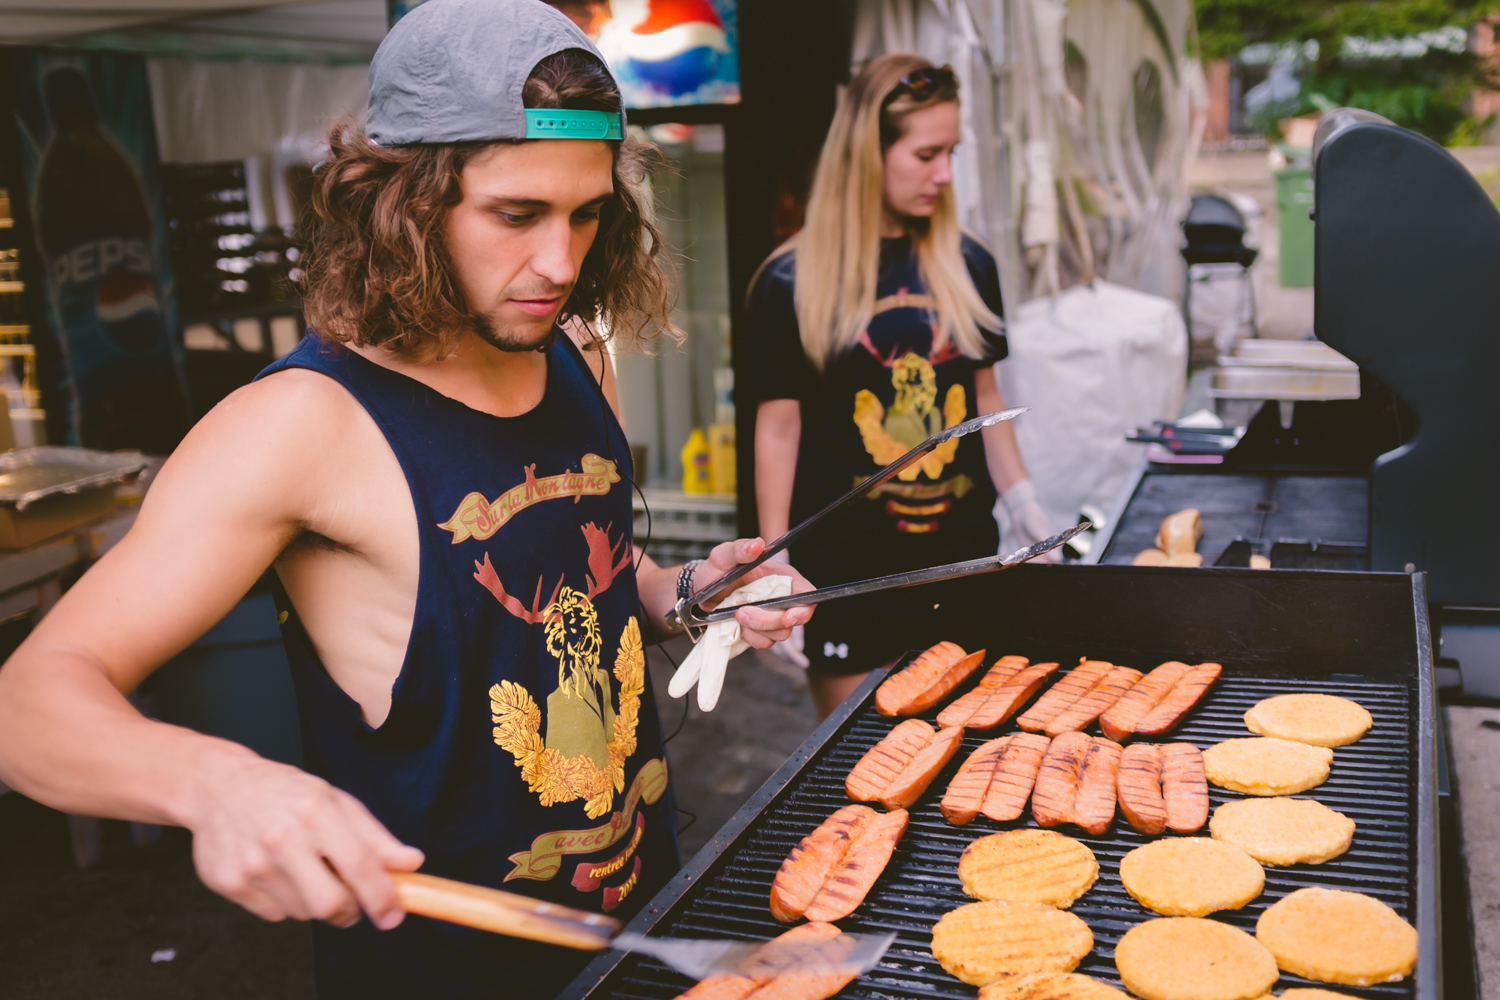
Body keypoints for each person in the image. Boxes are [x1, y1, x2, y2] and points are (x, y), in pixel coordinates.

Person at [0, 2, 813, 997]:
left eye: (586, 213)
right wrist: (217, 782)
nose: (561, 263)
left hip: (645, 924)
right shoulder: (300, 425)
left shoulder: (573, 352)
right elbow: (29, 701)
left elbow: (589, 566)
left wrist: (686, 592)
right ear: (406, 201)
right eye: (516, 214)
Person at [741, 53, 1054, 720]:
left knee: (968, 751)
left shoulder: (969, 262)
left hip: (962, 566)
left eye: (951, 153)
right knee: (860, 760)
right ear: (867, 155)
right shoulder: (789, 282)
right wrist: (775, 560)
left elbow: (985, 400)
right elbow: (779, 429)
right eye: (926, 154)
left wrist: (1023, 498)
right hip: (846, 579)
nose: (944, 175)